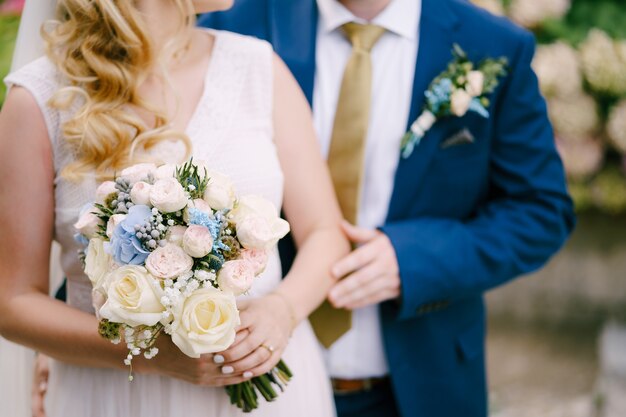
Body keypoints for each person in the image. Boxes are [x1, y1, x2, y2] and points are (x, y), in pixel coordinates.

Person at [200, 0, 576, 416]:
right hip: (249, 382)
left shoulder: (492, 45)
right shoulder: (231, 28)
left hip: (419, 384)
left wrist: (415, 259)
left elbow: (541, 211)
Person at [0, 1, 350, 417]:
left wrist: (284, 308)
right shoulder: (40, 99)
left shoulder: (258, 68)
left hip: (267, 384)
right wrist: (149, 353)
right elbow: (13, 299)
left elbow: (326, 233)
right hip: (112, 395)